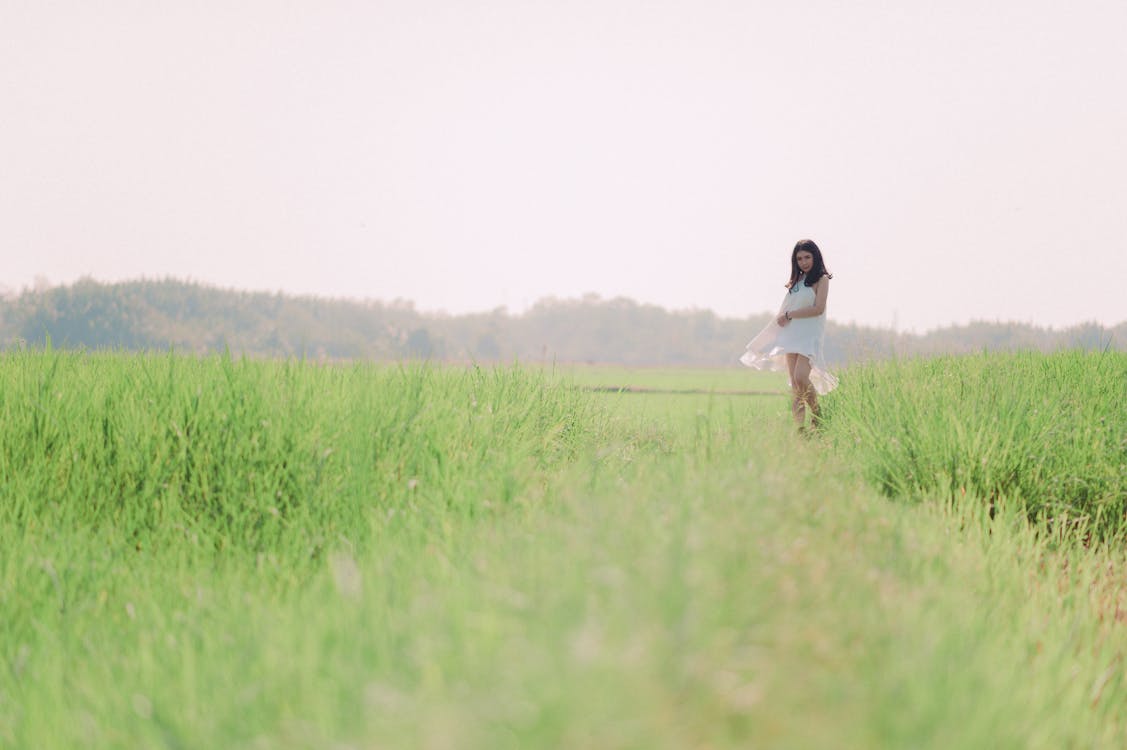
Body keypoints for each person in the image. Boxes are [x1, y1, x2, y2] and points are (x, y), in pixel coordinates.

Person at [740, 239, 838, 430]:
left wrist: (789, 315)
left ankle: (818, 414)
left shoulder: (822, 279)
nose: (804, 262)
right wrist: (777, 329)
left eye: (807, 257)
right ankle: (800, 430)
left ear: (815, 257)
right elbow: (783, 310)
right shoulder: (796, 283)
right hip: (791, 334)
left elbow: (818, 309)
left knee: (801, 377)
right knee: (795, 385)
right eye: (799, 258)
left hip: (809, 335)